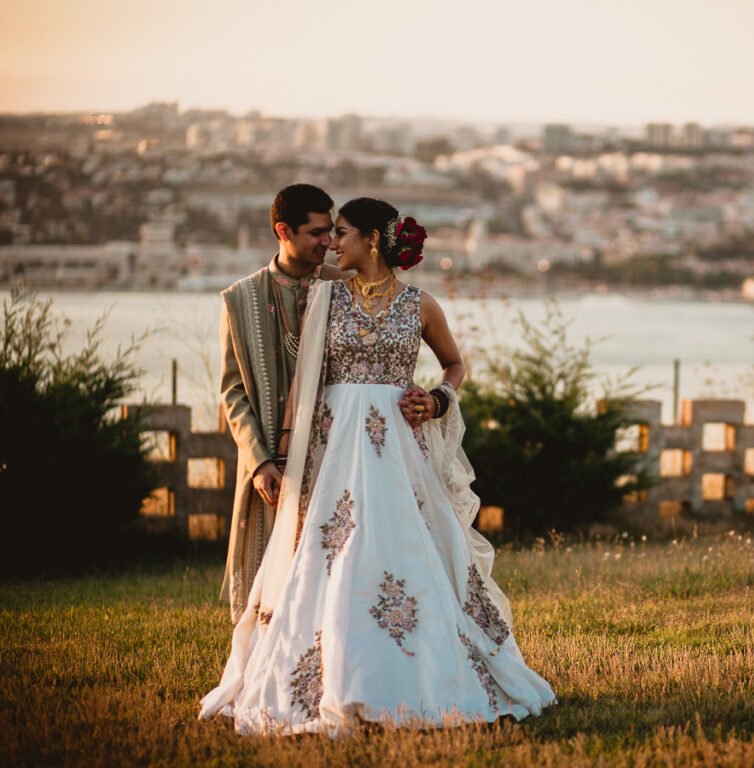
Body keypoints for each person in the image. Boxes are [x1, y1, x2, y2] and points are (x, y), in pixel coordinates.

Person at [200, 197, 555, 734]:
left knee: (405, 546)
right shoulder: (326, 298)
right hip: (335, 448)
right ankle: (332, 678)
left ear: (371, 240)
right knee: (334, 555)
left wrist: (438, 399)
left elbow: (455, 365)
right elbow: (303, 385)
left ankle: (426, 679)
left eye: (340, 234)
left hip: (399, 450)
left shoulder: (421, 304)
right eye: (328, 233)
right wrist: (283, 456)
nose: (331, 245)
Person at [219, 183, 342, 623]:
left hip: (336, 451)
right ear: (282, 230)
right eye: (316, 233)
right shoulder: (240, 299)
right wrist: (258, 462)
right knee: (271, 574)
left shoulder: (345, 289)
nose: (328, 242)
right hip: (272, 458)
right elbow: (232, 391)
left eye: (331, 231)